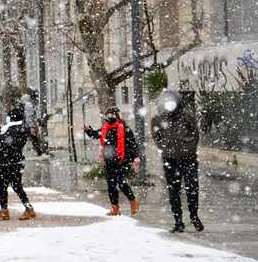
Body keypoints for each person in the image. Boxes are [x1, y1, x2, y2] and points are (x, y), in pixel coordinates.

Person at [151, 90, 203, 233]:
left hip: (188, 158)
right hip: (170, 160)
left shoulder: (187, 117)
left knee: (192, 188)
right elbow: (157, 137)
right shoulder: (158, 119)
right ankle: (178, 221)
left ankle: (194, 216)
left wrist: (190, 147)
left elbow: (195, 133)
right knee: (174, 190)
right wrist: (165, 148)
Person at [85, 106, 140, 216]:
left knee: (121, 182)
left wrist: (136, 157)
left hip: (122, 161)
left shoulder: (125, 129)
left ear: (117, 116)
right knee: (111, 184)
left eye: (112, 115)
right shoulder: (105, 129)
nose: (110, 117)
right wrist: (88, 130)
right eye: (108, 115)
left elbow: (133, 144)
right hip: (109, 161)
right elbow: (95, 134)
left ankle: (133, 201)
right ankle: (115, 208)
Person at [0, 103, 36, 220]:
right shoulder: (22, 127)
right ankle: (28, 208)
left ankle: (5, 210)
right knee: (16, 186)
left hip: (8, 162)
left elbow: (4, 139)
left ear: (13, 118)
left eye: (10, 117)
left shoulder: (13, 128)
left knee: (4, 185)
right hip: (16, 161)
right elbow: (10, 138)